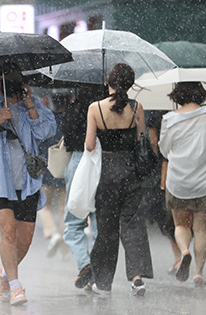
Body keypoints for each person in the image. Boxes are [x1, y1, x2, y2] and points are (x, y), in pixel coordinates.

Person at [0, 64, 56, 306]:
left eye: (16, 78)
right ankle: (16, 287)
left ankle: (5, 273)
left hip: (27, 182)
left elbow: (48, 131)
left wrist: (29, 106)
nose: (11, 84)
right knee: (8, 232)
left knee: (24, 240)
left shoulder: (35, 104)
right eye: (6, 80)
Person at [85, 63, 153, 298]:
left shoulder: (95, 108)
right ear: (131, 84)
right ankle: (136, 277)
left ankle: (103, 284)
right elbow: (142, 140)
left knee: (107, 228)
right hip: (130, 172)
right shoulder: (137, 108)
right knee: (133, 224)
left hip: (106, 173)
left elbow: (89, 145)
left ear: (108, 81)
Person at [158, 82, 206, 288]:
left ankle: (184, 252)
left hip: (179, 180)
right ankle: (198, 273)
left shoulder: (169, 119)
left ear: (176, 96)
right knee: (201, 228)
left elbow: (163, 150)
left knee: (181, 225)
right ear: (201, 94)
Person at [61, 88, 104, 290]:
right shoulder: (105, 110)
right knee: (97, 221)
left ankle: (85, 264)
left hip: (78, 161)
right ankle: (96, 271)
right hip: (102, 162)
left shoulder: (73, 108)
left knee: (73, 222)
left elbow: (67, 139)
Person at [145, 110, 179, 275]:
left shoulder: (155, 114)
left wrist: (157, 157)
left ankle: (178, 256)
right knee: (184, 210)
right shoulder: (180, 111)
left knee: (164, 213)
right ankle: (185, 251)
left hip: (164, 167)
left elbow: (153, 142)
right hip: (185, 163)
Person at [38, 92, 69, 258]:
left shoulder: (47, 120)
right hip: (64, 168)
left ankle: (53, 233)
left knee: (43, 204)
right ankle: (66, 243)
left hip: (47, 168)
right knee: (64, 208)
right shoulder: (71, 119)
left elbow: (40, 141)